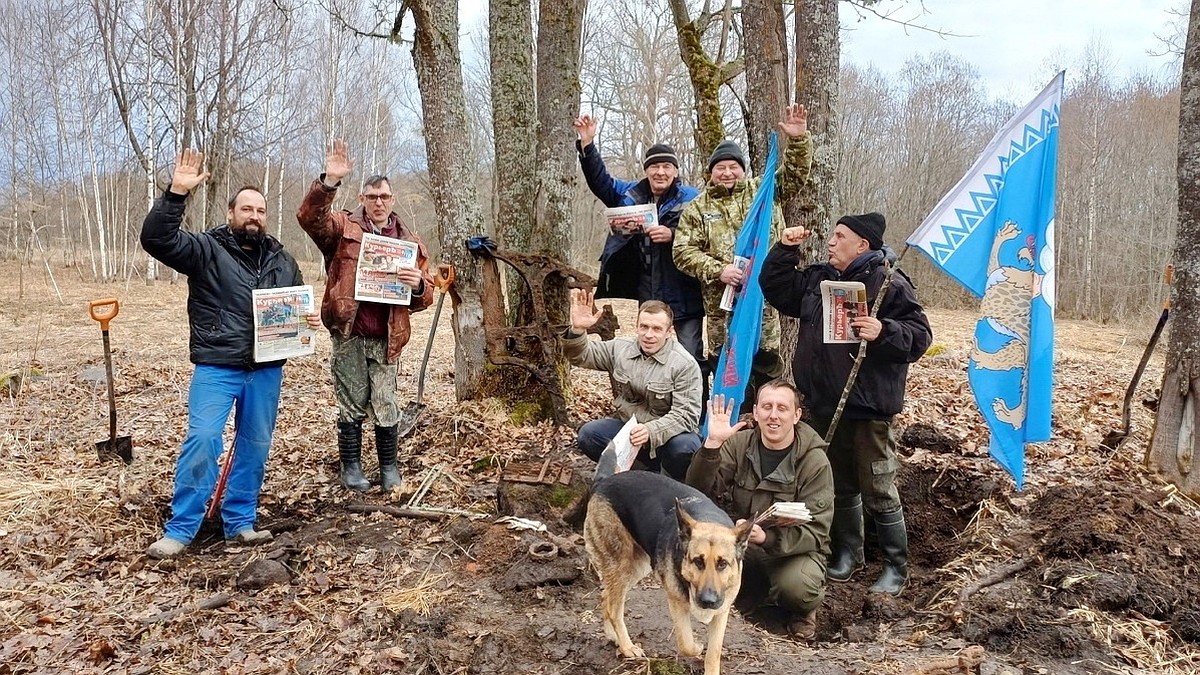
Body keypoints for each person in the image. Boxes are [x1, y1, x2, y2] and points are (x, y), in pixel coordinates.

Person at [141, 149, 319, 559]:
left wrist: (306, 321)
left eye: (260, 210)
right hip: (217, 365)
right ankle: (182, 528)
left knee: (255, 444)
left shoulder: (282, 259)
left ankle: (239, 521)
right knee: (203, 439)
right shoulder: (205, 249)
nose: (253, 216)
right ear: (230, 212)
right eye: (246, 209)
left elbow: (296, 307)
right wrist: (176, 195)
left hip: (266, 369)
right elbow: (157, 239)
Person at [758, 212, 932, 597]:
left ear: (862, 245)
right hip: (822, 403)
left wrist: (884, 331)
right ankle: (848, 555)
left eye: (840, 236)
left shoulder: (888, 282)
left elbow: (920, 337)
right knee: (837, 482)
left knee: (878, 485)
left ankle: (895, 566)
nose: (831, 242)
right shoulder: (820, 278)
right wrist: (785, 249)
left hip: (868, 408)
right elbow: (775, 287)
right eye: (832, 236)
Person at [297, 140, 435, 492]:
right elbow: (309, 219)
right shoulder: (343, 229)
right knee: (352, 401)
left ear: (392, 200)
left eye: (384, 197)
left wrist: (418, 284)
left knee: (386, 402)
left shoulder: (410, 241)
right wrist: (329, 181)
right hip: (350, 331)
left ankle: (389, 467)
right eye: (372, 196)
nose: (378, 202)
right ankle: (352, 467)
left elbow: (426, 295)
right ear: (362, 198)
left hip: (388, 335)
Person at [672, 104, 813, 409]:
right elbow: (681, 252)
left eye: (733, 166)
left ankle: (766, 436)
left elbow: (795, 176)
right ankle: (727, 438)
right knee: (728, 381)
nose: (727, 172)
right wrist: (717, 270)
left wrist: (799, 141)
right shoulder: (697, 208)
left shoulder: (762, 192)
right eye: (720, 167)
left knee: (766, 377)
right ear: (710, 172)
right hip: (724, 314)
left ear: (742, 169)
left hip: (763, 311)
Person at [686, 382, 834, 640]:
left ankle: (801, 613)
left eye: (782, 408)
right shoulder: (740, 444)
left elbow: (818, 531)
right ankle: (755, 602)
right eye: (766, 407)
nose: (773, 415)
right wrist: (711, 445)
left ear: (796, 415)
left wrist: (768, 538)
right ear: (755, 412)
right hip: (744, 546)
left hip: (794, 552)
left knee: (798, 588)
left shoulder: (814, 461)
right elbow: (697, 492)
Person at [573, 115, 705, 360]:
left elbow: (707, 238)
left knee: (691, 355)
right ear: (646, 170)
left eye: (667, 167)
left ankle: (693, 399)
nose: (660, 172)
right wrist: (588, 145)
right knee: (649, 347)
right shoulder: (630, 193)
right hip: (647, 286)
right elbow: (600, 181)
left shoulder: (693, 198)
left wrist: (673, 236)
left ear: (675, 171)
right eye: (654, 166)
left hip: (684, 288)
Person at [562, 290, 702, 480]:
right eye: (643, 327)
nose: (648, 335)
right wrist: (578, 330)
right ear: (636, 327)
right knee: (589, 434)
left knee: (685, 448)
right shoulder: (620, 349)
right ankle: (639, 476)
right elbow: (581, 356)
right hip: (630, 431)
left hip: (668, 437)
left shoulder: (684, 364)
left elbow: (686, 416)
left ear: (669, 332)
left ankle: (670, 481)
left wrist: (651, 431)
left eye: (657, 329)